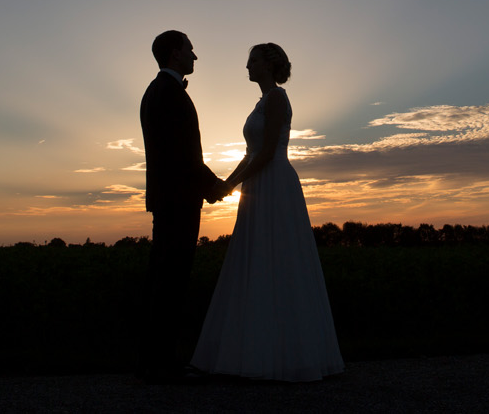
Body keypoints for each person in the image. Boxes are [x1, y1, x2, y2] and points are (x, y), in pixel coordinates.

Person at [191, 42, 344, 381]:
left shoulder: (277, 98)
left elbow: (266, 153)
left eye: (253, 60)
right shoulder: (262, 101)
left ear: (269, 65)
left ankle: (285, 353)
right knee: (257, 258)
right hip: (258, 183)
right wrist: (225, 184)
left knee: (280, 258)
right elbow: (250, 154)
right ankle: (261, 348)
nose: (247, 66)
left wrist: (227, 188)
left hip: (274, 181)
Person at [139, 30, 226, 384]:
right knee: (171, 280)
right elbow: (181, 153)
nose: (195, 56)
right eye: (190, 49)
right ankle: (160, 365)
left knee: (165, 278)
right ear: (175, 54)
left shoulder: (156, 91)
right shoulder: (169, 94)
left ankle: (155, 361)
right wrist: (213, 186)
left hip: (170, 198)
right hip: (178, 200)